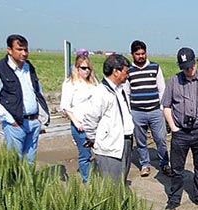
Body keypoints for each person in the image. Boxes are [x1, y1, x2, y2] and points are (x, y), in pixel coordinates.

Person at [162, 47, 198, 210]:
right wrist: (173, 128)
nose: (188, 70)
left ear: (196, 62)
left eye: (191, 66)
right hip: (180, 132)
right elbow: (166, 106)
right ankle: (174, 199)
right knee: (177, 169)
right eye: (185, 67)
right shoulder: (174, 81)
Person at [0, 34, 50, 165]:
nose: (24, 53)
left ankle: (29, 185)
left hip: (33, 121)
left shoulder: (29, 67)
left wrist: (40, 116)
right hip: (16, 124)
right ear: (9, 50)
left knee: (30, 161)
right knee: (14, 162)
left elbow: (37, 91)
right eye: (19, 49)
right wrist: (10, 120)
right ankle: (15, 185)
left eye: (26, 50)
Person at [124, 40, 173, 177]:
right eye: (137, 54)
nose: (141, 56)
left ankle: (164, 163)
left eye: (143, 53)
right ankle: (145, 164)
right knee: (141, 141)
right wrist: (129, 111)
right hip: (137, 112)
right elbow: (127, 92)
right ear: (132, 54)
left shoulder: (155, 67)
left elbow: (162, 88)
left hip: (155, 111)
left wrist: (162, 108)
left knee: (160, 139)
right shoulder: (129, 71)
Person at [83, 54, 134, 184]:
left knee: (121, 182)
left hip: (125, 142)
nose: (127, 75)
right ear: (115, 71)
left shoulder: (121, 89)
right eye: (125, 72)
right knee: (111, 186)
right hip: (110, 148)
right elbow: (90, 120)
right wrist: (98, 141)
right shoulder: (101, 93)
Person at [60, 54, 98, 183]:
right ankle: (87, 180)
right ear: (77, 68)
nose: (86, 71)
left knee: (99, 153)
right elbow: (65, 105)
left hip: (95, 124)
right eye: (83, 68)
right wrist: (76, 122)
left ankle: (98, 176)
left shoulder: (93, 82)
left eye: (88, 68)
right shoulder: (70, 83)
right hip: (80, 125)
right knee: (85, 154)